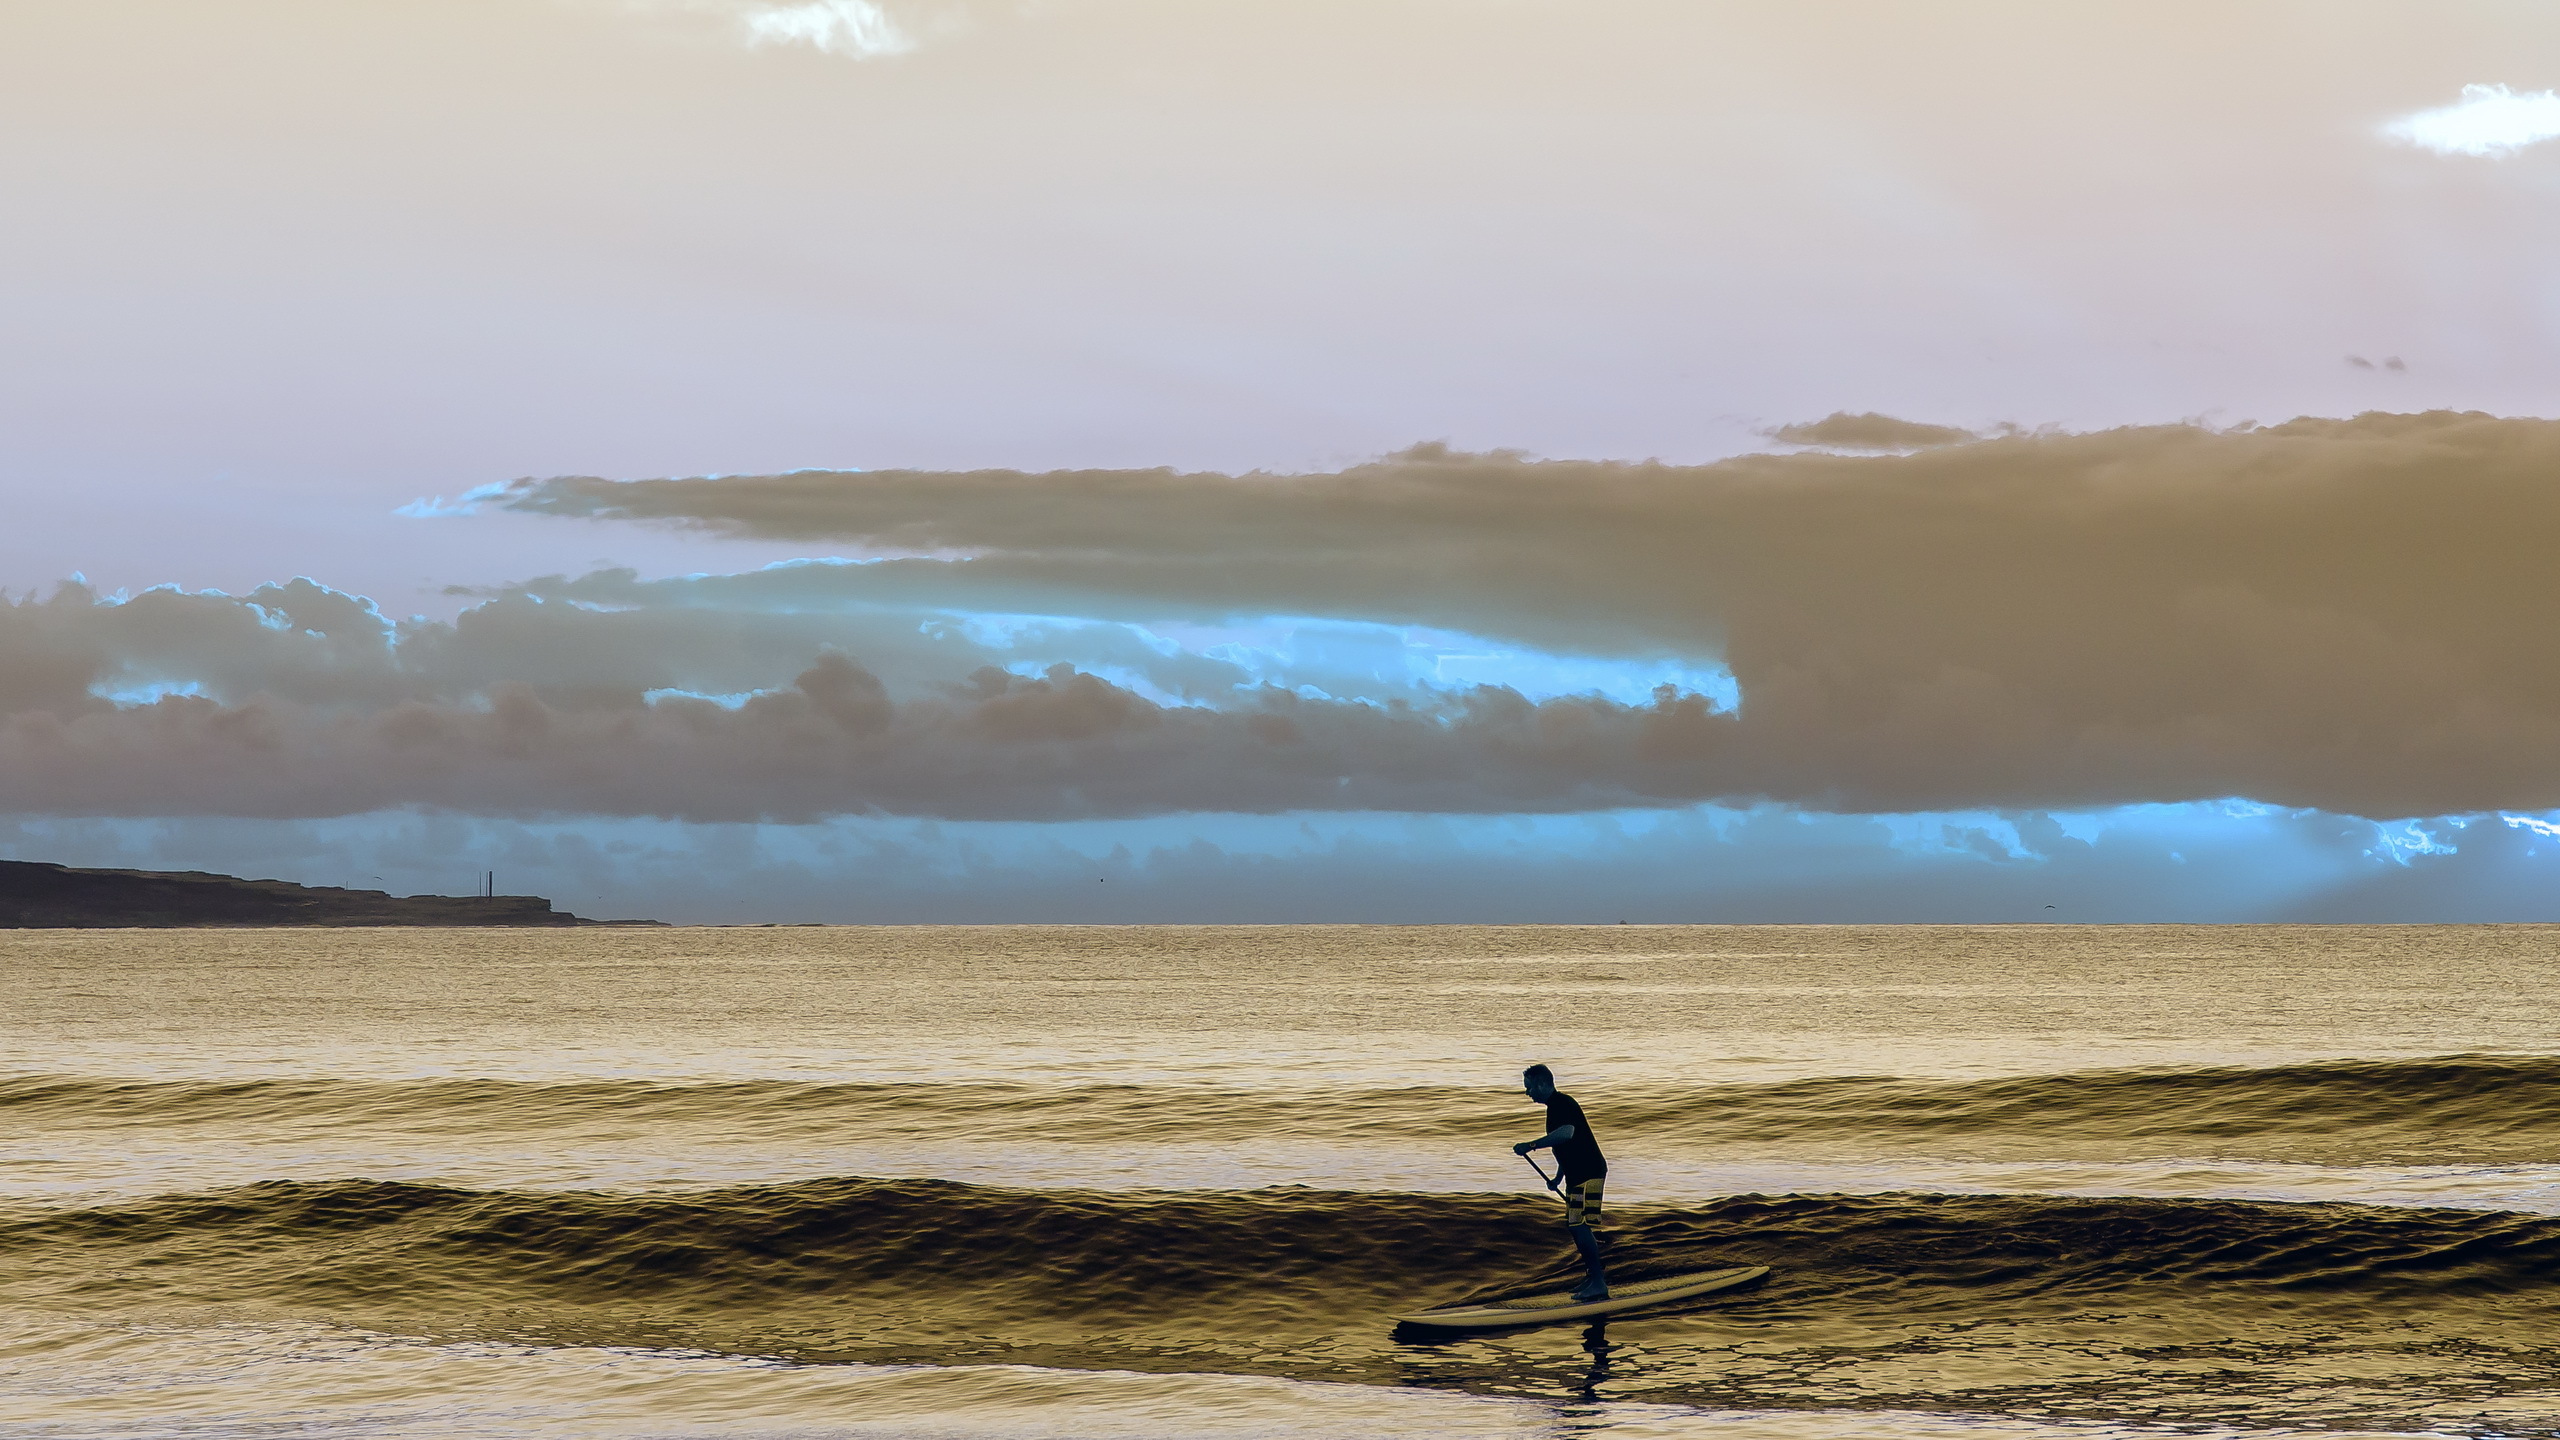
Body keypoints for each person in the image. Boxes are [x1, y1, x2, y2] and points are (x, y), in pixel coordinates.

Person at [1514, 1062, 1609, 1301]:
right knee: (1575, 1226)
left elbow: (1567, 1134)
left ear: (1543, 1084)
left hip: (1589, 1171)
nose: (1527, 1093)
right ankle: (1592, 1277)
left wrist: (1531, 1145)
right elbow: (1564, 1147)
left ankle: (1599, 1283)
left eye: (1529, 1088)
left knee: (1580, 1225)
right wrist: (1558, 1176)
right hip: (1577, 1172)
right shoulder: (1554, 1107)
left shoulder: (1562, 1104)